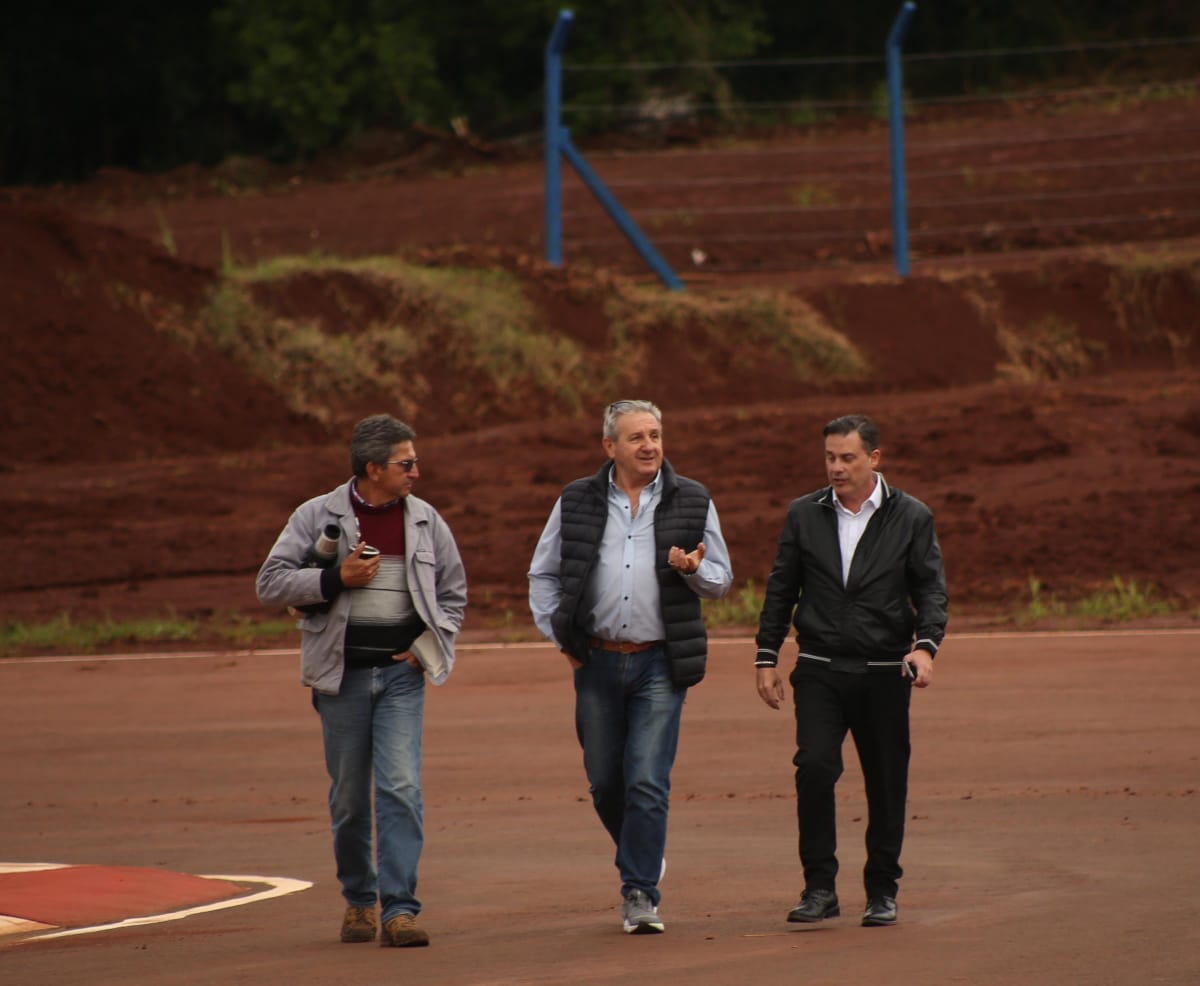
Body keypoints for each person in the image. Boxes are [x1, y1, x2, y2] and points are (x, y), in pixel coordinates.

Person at [256, 414, 467, 948]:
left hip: (401, 678)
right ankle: (359, 902)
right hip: (340, 679)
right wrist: (334, 578)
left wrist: (426, 649)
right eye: (406, 463)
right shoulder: (315, 515)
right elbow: (271, 582)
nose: (416, 471)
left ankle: (400, 910)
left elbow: (453, 596)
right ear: (373, 468)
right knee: (350, 799)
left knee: (401, 788)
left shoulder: (425, 521)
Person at [528, 399, 733, 935]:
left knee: (646, 779)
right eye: (637, 437)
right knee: (603, 782)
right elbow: (543, 574)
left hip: (660, 663)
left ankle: (640, 891)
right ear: (610, 447)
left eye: (656, 435)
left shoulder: (692, 498)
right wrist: (560, 636)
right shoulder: (576, 499)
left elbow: (721, 578)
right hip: (594, 660)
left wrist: (693, 569)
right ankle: (642, 849)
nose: (650, 446)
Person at [753, 413, 947, 928]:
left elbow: (930, 589)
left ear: (874, 459)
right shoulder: (804, 514)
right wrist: (767, 656)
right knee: (814, 767)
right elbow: (781, 587)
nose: (836, 467)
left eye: (847, 458)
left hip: (886, 670)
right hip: (818, 667)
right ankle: (819, 888)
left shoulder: (912, 516)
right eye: (829, 458)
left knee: (886, 782)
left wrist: (925, 647)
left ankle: (882, 890)